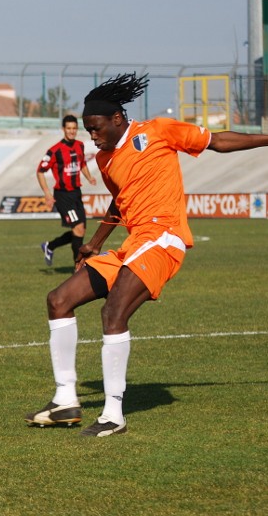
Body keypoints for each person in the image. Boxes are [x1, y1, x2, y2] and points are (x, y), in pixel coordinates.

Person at [25, 72, 268, 437]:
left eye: (95, 128)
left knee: (113, 311)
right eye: (88, 130)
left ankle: (112, 414)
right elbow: (118, 202)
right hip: (133, 243)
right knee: (59, 299)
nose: (92, 136)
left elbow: (218, 141)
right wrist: (94, 242)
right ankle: (65, 401)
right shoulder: (106, 160)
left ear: (117, 119)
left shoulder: (159, 131)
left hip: (164, 237)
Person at [36, 114, 98, 266]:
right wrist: (47, 193)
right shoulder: (55, 150)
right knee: (78, 228)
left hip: (76, 193)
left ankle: (50, 246)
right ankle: (78, 266)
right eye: (68, 128)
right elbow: (40, 171)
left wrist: (89, 177)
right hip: (63, 195)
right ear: (63, 129)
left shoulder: (80, 145)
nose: (71, 131)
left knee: (80, 231)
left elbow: (82, 163)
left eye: (74, 128)